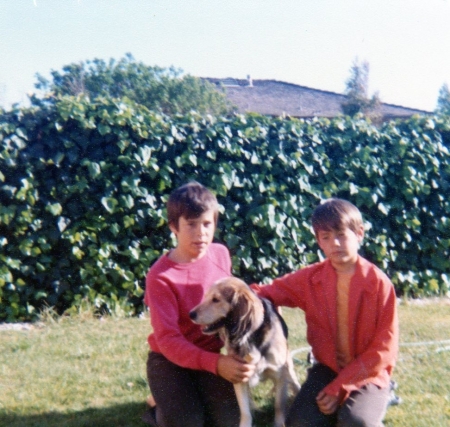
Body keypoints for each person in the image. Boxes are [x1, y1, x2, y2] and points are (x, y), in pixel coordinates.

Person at [252, 198, 399, 427]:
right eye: (326, 237)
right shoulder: (310, 279)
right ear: (319, 242)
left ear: (359, 233)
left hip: (367, 373)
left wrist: (340, 387)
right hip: (327, 369)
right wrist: (238, 297)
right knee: (300, 422)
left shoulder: (379, 284)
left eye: (341, 234)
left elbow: (384, 350)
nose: (335, 243)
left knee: (356, 421)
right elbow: (265, 293)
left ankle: (383, 393)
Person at [142, 181, 254, 427]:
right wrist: (218, 364)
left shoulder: (220, 253)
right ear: (174, 227)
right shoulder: (161, 277)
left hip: (211, 355)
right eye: (190, 225)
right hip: (169, 360)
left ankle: (184, 397)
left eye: (207, 224)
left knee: (231, 422)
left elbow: (234, 302)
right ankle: (158, 405)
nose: (201, 233)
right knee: (189, 423)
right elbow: (168, 340)